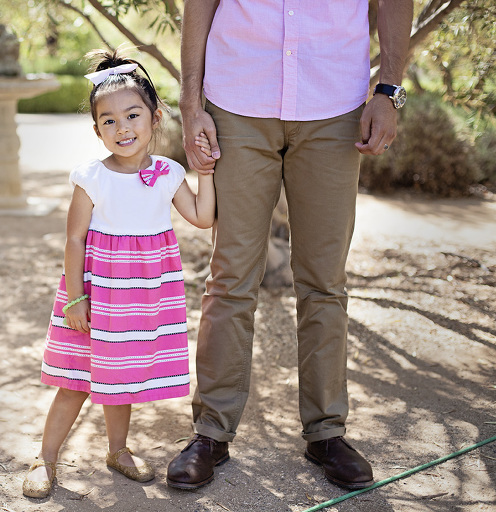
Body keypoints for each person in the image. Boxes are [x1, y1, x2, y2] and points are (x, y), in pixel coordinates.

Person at [166, 1, 414, 491]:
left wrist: (389, 89)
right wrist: (191, 104)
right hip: (237, 95)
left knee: (325, 280)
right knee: (231, 275)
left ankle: (327, 433)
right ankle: (210, 431)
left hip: (335, 101)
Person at [22, 47, 216, 499]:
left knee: (120, 378)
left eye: (132, 115)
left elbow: (203, 217)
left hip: (143, 293)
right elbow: (74, 240)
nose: (122, 128)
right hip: (95, 292)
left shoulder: (168, 173)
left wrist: (204, 171)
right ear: (96, 130)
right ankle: (45, 458)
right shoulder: (92, 176)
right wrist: (75, 298)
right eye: (109, 121)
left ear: (155, 116)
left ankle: (117, 450)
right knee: (75, 383)